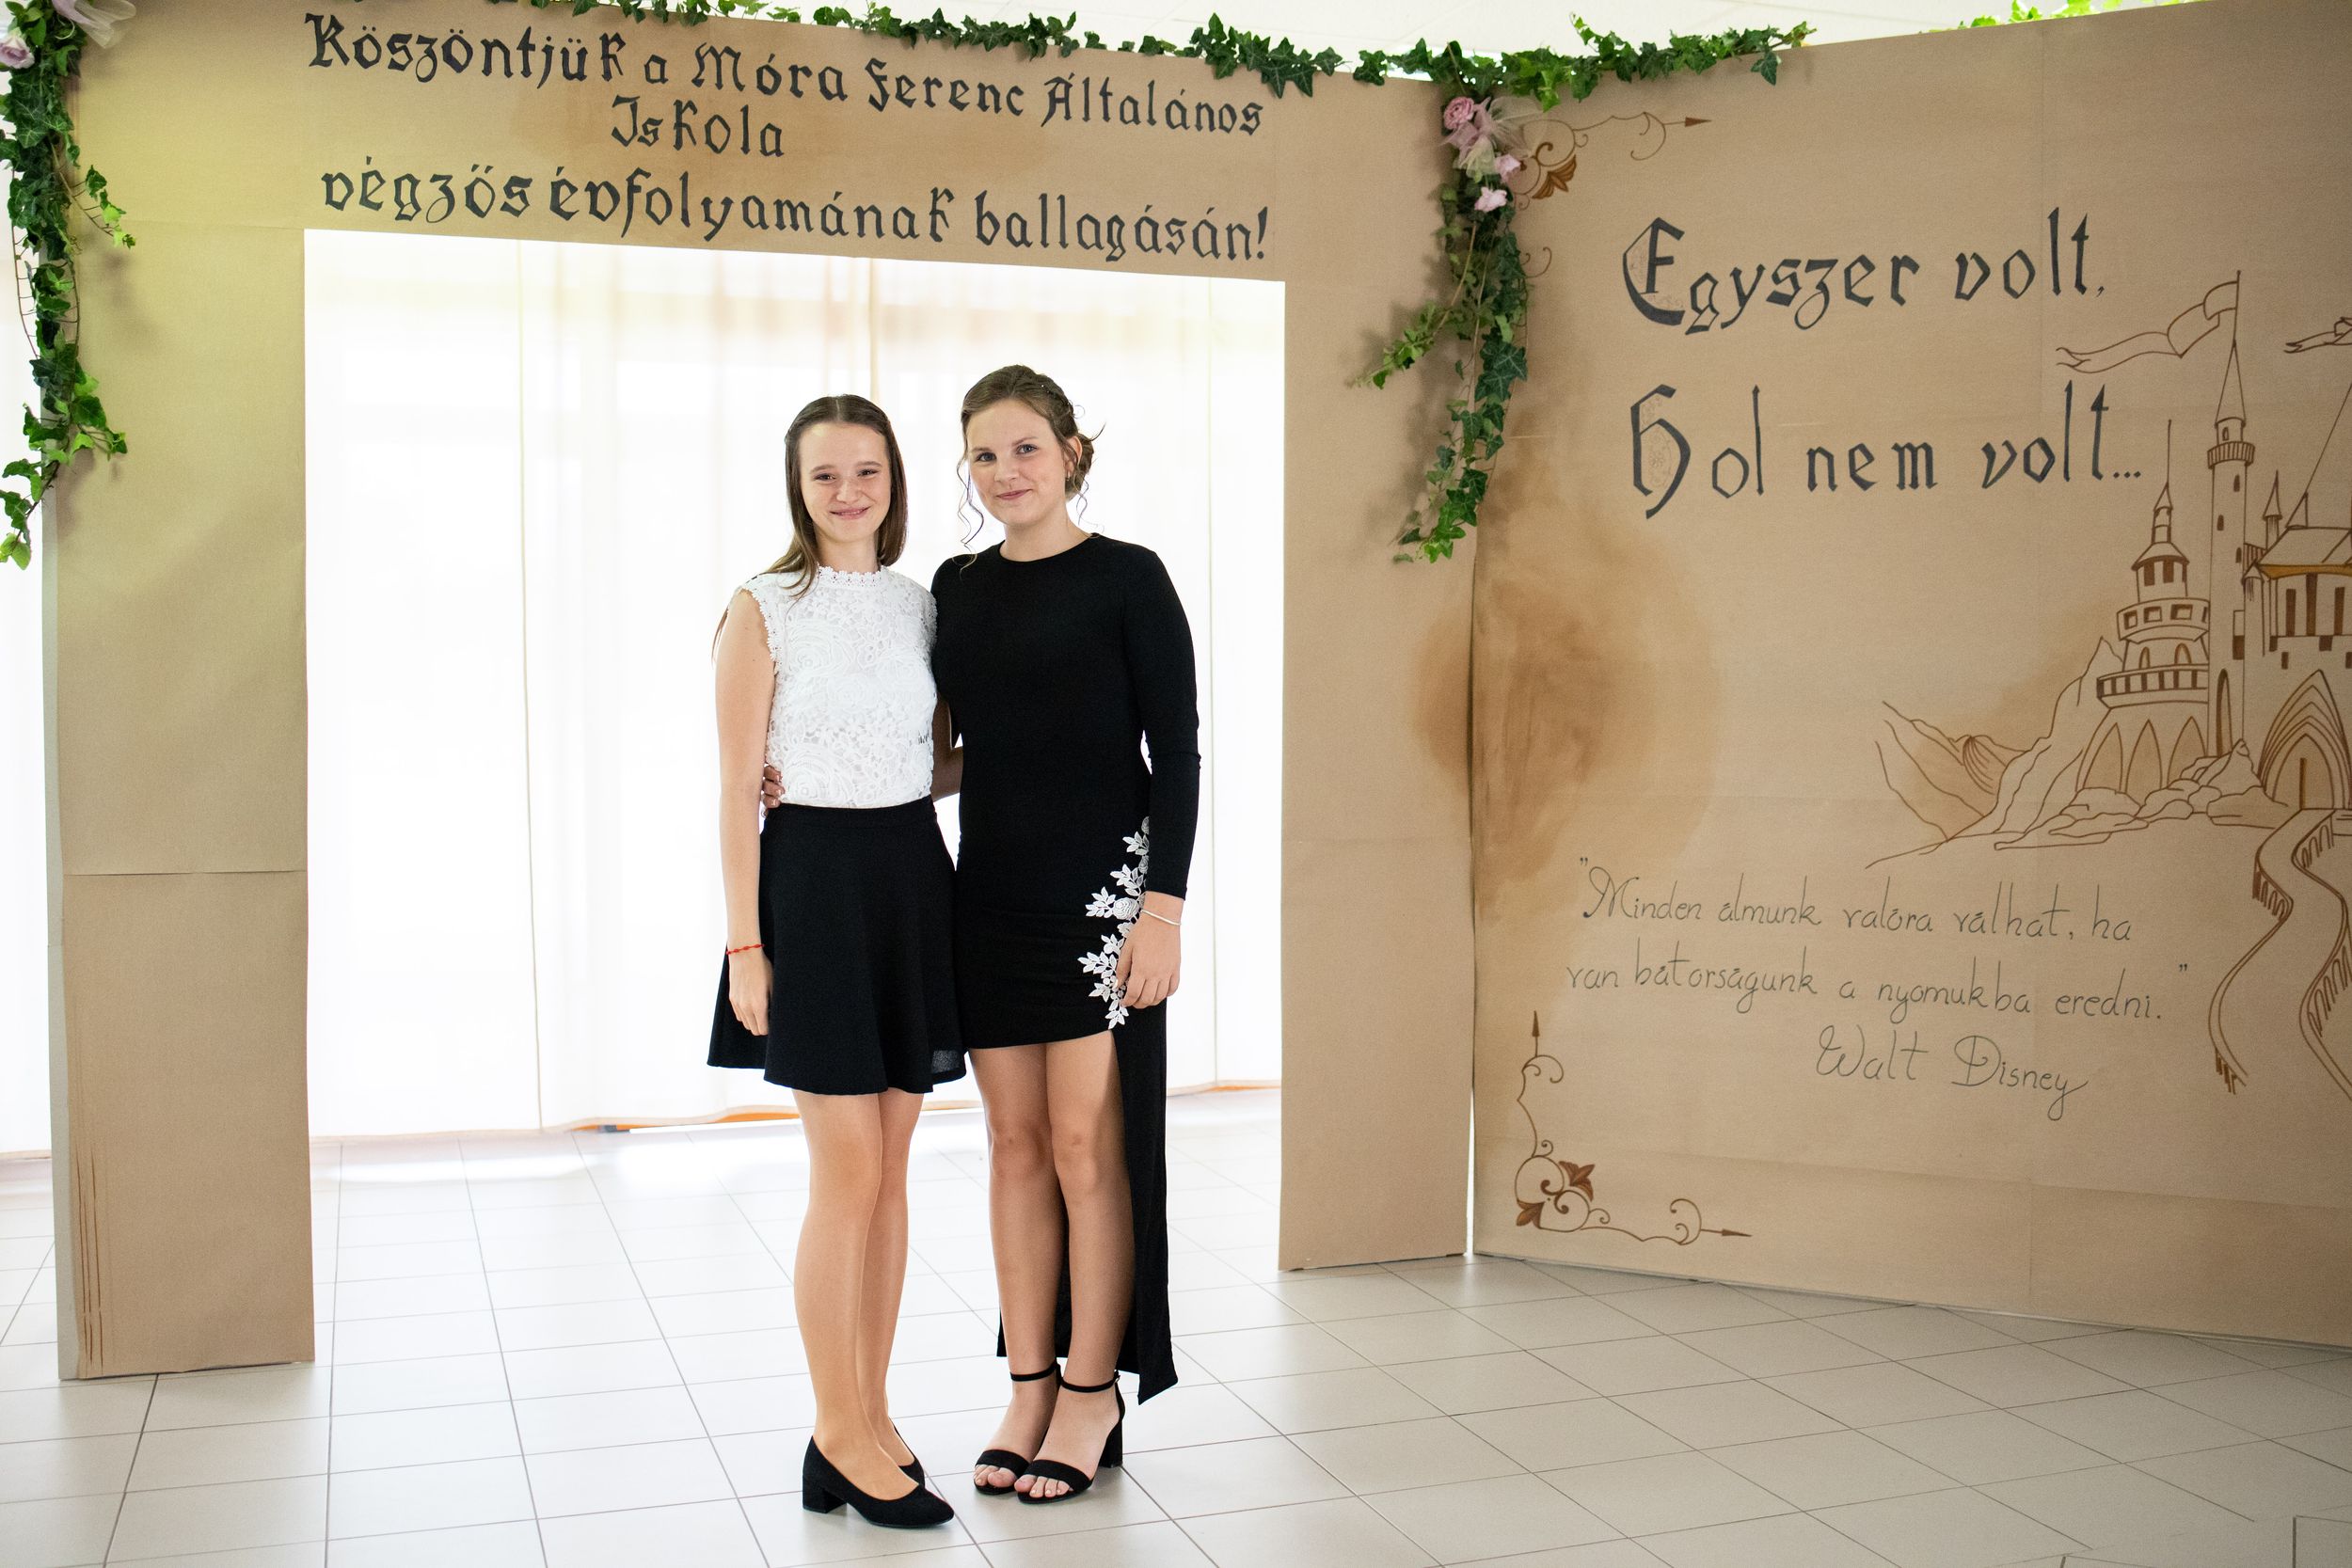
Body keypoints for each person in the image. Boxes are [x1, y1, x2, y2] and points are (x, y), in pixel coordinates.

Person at [935, 364, 1200, 1504]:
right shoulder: (956, 585)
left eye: (1025, 448)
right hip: (988, 893)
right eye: (984, 455)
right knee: (1013, 1146)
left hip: (1101, 896)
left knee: (1089, 1149)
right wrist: (819, 776)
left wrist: (1163, 911)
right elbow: (963, 750)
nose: (1005, 472)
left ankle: (1094, 1389)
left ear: (1071, 452)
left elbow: (1175, 754)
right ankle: (1029, 1381)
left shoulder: (1129, 577)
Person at [707, 393, 960, 1530]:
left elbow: (927, 758)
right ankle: (835, 1425)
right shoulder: (762, 606)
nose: (848, 491)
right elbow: (732, 790)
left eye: (867, 471)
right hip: (808, 887)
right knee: (845, 1174)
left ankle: (868, 1412)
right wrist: (744, 946)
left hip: (910, 875)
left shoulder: (919, 604)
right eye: (825, 475)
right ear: (797, 488)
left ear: (894, 480)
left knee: (892, 1172)